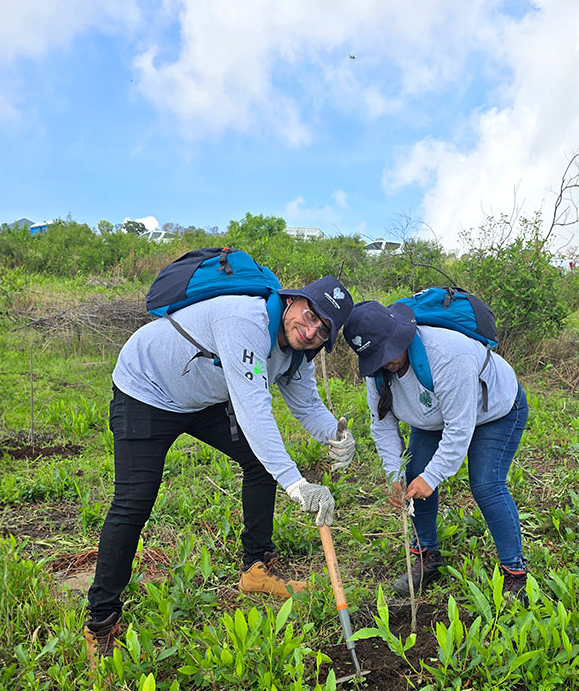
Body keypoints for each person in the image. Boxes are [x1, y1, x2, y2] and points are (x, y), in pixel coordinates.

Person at [84, 276, 356, 662]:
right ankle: (100, 622)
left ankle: (256, 569)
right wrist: (296, 485)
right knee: (134, 501)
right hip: (147, 388)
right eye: (310, 316)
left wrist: (336, 434)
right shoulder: (244, 321)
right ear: (293, 300)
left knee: (259, 462)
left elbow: (308, 406)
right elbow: (254, 410)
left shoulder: (299, 352)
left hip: (201, 398)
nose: (311, 331)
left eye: (323, 331)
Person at [343, 300, 529, 599]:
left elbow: (459, 429)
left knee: (486, 484)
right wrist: (394, 474)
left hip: (495, 410)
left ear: (401, 335)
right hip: (434, 416)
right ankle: (427, 557)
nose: (385, 362)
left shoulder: (447, 355)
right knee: (413, 474)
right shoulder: (377, 370)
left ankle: (515, 573)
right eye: (377, 357)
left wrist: (432, 477)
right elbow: (383, 425)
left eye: (389, 353)